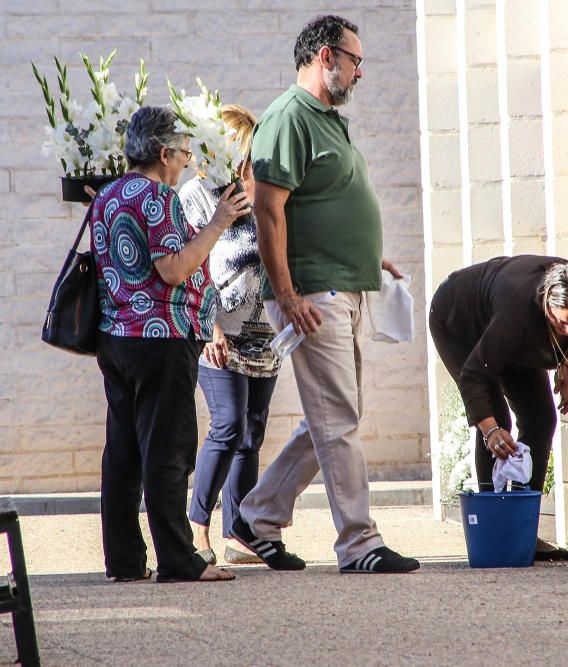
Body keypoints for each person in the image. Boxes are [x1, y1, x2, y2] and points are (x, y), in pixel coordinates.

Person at [232, 15, 420, 574]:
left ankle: (258, 515)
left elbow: (327, 201)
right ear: (325, 57)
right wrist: (286, 295)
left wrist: (367, 256)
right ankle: (359, 544)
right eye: (355, 60)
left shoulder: (329, 121)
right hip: (311, 293)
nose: (361, 72)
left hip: (344, 282)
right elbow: (268, 210)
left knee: (336, 413)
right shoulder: (289, 117)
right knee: (338, 417)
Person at [92, 105, 250, 582]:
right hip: (159, 339)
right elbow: (173, 268)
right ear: (163, 154)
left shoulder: (108, 195)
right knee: (167, 450)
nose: (186, 162)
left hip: (116, 338)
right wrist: (219, 221)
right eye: (183, 153)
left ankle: (123, 560)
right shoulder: (158, 198)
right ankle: (179, 560)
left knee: (122, 452)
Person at [429, 256, 568, 561]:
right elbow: (474, 374)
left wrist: (563, 366)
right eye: (559, 320)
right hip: (458, 319)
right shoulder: (518, 311)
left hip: (509, 329)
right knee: (497, 417)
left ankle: (523, 531)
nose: (566, 330)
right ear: (546, 301)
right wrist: (490, 429)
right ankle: (491, 528)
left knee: (541, 419)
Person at [179, 105, 278, 567]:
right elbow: (192, 266)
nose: (246, 160)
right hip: (219, 330)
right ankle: (196, 527)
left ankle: (240, 533)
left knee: (252, 433)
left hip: (267, 332)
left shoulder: (262, 192)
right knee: (229, 425)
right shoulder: (197, 195)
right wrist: (211, 326)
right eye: (244, 149)